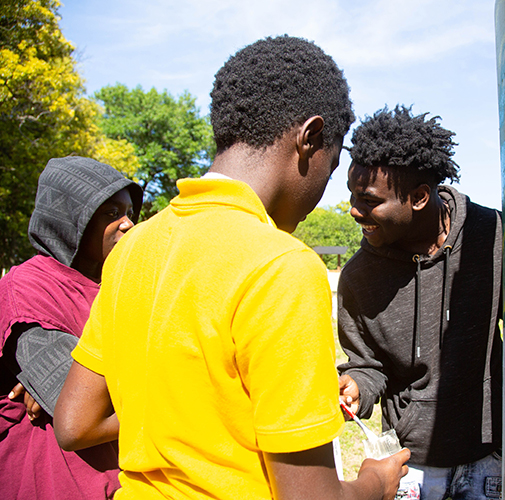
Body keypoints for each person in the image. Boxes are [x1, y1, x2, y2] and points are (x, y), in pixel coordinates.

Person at [53, 36, 410, 500]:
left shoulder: (132, 248)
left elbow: (74, 423)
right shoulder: (281, 267)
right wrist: (373, 484)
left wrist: (190, 408)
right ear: (311, 138)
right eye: (332, 164)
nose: (327, 188)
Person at [337, 105, 503, 500]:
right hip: (408, 465)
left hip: (489, 459)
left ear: (418, 197)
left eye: (369, 200)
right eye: (352, 196)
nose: (354, 210)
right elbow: (367, 365)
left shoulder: (493, 238)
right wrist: (357, 386)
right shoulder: (358, 278)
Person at [0, 156, 142, 499]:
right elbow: (81, 412)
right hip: (54, 484)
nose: (128, 226)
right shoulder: (28, 289)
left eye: (129, 214)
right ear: (70, 221)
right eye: (110, 214)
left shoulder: (122, 287)